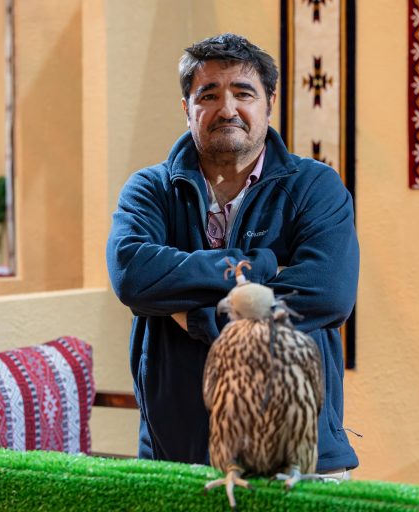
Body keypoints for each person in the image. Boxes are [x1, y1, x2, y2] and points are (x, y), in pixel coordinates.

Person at [106, 33, 359, 477]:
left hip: (299, 454)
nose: (227, 109)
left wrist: (199, 318)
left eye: (244, 93)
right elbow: (134, 276)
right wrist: (263, 266)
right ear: (186, 108)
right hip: (179, 452)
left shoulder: (315, 186)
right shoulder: (149, 190)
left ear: (269, 103)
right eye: (208, 95)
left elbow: (328, 293)